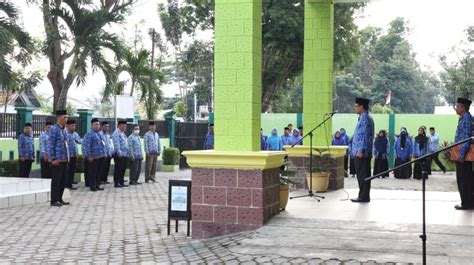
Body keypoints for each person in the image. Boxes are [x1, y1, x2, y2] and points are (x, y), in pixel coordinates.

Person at [350, 97, 375, 203]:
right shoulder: (362, 117)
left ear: (362, 106)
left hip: (362, 153)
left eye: (356, 106)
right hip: (359, 151)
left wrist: (361, 150)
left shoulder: (365, 118)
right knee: (361, 175)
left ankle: (363, 196)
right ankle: (363, 195)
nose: (355, 108)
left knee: (363, 175)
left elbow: (365, 136)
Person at [47, 110, 70, 207]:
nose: (66, 119)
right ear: (58, 118)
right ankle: (54, 200)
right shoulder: (54, 129)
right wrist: (52, 159)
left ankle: (60, 198)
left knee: (63, 180)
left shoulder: (64, 129)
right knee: (56, 180)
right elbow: (50, 145)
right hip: (57, 160)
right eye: (64, 117)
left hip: (65, 159)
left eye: (67, 117)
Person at [453, 97, 472, 210]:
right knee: (464, 179)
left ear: (463, 107)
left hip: (463, 155)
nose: (456, 108)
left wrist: (461, 155)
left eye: (457, 106)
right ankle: (466, 201)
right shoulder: (463, 118)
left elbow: (466, 138)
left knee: (463, 179)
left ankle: (466, 203)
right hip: (460, 153)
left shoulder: (466, 119)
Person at [82, 118, 106, 191]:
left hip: (100, 156)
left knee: (99, 172)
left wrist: (104, 153)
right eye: (96, 124)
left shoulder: (99, 134)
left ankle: (97, 185)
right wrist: (88, 155)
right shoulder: (89, 134)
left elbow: (103, 144)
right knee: (93, 172)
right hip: (93, 157)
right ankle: (92, 186)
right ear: (92, 125)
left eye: (98, 124)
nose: (97, 126)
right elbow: (86, 145)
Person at [112, 120, 129, 188]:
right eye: (123, 126)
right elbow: (116, 144)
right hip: (119, 154)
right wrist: (119, 152)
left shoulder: (123, 133)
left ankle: (121, 181)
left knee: (123, 168)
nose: (125, 127)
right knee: (118, 169)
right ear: (118, 126)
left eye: (125, 126)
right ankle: (117, 182)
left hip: (124, 154)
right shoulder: (116, 133)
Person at [65, 119, 81, 190]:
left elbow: (79, 141)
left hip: (74, 155)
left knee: (72, 170)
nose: (74, 127)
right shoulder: (64, 133)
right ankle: (65, 184)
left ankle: (70, 184)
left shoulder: (75, 134)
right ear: (67, 126)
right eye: (72, 125)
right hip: (67, 156)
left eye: (74, 125)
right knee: (67, 171)